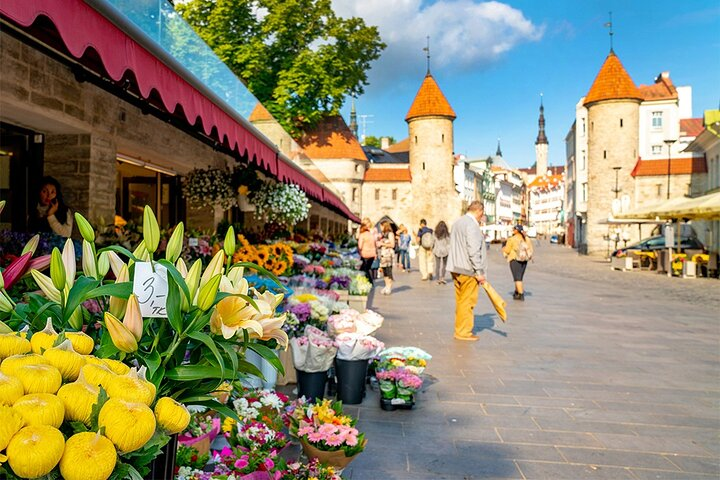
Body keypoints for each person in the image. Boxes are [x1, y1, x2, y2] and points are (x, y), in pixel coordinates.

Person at [447, 201, 487, 341]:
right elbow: (473, 250)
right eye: (482, 214)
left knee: (460, 300)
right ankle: (463, 332)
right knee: (468, 301)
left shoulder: (458, 222)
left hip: (456, 267)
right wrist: (479, 271)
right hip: (467, 269)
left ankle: (459, 328)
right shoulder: (472, 225)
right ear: (479, 211)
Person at [502, 224, 534, 301]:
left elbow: (507, 250)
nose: (513, 231)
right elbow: (531, 249)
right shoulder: (526, 239)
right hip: (524, 260)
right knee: (519, 277)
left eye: (514, 229)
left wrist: (503, 250)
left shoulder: (512, 239)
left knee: (517, 278)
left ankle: (521, 294)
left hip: (514, 260)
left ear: (516, 231)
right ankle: (516, 292)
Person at [357, 218, 377, 284]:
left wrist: (358, 251)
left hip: (365, 254)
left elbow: (360, 246)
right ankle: (367, 282)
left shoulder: (362, 235)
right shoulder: (371, 235)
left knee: (364, 269)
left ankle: (369, 282)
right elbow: (375, 245)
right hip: (372, 254)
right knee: (367, 269)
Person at [378, 221, 395, 295]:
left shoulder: (390, 234)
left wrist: (382, 244)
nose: (380, 228)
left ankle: (389, 287)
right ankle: (386, 285)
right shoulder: (383, 234)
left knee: (388, 271)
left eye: (381, 226)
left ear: (384, 226)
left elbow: (392, 245)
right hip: (383, 255)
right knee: (384, 271)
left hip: (388, 255)